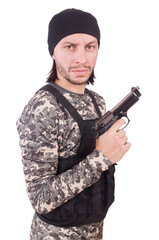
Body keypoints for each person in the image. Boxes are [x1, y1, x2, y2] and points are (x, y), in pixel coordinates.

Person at [16, 8, 131, 240]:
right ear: (53, 52)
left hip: (95, 230)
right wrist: (102, 156)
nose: (82, 58)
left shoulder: (96, 101)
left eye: (90, 46)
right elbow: (40, 198)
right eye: (70, 47)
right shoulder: (43, 108)